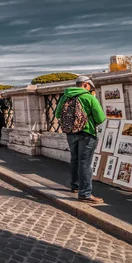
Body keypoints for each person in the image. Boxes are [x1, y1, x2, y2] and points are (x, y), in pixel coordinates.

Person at [55, 75, 106, 204]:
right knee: (85, 163)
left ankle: (75, 185)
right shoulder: (88, 97)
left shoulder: (65, 96)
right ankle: (85, 194)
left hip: (70, 133)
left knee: (74, 159)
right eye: (90, 88)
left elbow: (57, 114)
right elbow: (100, 118)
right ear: (86, 85)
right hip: (87, 133)